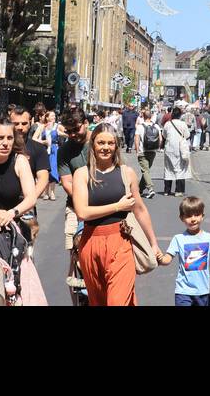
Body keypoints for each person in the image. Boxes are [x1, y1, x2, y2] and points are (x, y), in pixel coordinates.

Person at [72, 124, 163, 306]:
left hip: (120, 241)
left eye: (110, 143)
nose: (105, 147)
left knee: (117, 301)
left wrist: (153, 243)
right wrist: (117, 206)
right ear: (93, 145)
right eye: (101, 143)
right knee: (98, 301)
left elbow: (140, 209)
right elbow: (82, 212)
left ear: (116, 146)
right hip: (90, 242)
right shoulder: (81, 174)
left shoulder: (126, 173)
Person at [156, 196, 210, 306]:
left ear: (202, 216)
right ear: (182, 218)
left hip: (203, 291)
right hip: (183, 291)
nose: (193, 219)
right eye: (188, 216)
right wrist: (160, 259)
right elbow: (168, 258)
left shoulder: (209, 238)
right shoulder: (178, 239)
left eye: (197, 215)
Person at [57, 107, 92, 286]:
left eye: (76, 129)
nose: (72, 135)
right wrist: (83, 202)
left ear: (86, 123)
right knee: (74, 249)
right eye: (68, 131)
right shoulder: (64, 151)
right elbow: (67, 182)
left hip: (105, 203)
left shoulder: (99, 142)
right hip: (75, 205)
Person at [10, 106, 50, 250]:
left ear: (31, 122)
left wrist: (30, 200)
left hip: (26, 208)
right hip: (2, 206)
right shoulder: (4, 147)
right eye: (16, 124)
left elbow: (43, 178)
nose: (20, 127)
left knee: (27, 249)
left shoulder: (38, 149)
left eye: (24, 123)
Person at [162, 105, 192, 196]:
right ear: (180, 115)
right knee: (180, 169)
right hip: (179, 149)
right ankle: (178, 191)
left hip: (169, 148)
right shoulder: (182, 124)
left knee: (168, 169)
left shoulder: (167, 124)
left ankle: (167, 190)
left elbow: (164, 135)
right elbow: (187, 135)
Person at [134, 105, 159, 198]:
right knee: (146, 171)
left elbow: (136, 140)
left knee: (145, 171)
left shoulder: (140, 127)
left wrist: (137, 151)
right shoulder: (156, 126)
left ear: (143, 117)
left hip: (143, 151)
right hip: (152, 151)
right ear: (151, 117)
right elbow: (159, 139)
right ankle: (139, 189)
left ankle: (150, 189)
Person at [43, 111, 61, 199]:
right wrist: (44, 142)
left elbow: (64, 133)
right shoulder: (43, 127)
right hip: (45, 150)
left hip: (54, 150)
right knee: (46, 171)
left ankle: (53, 192)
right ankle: (46, 192)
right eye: (52, 115)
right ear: (47, 117)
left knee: (53, 170)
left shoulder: (57, 126)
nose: (54, 117)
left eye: (54, 115)